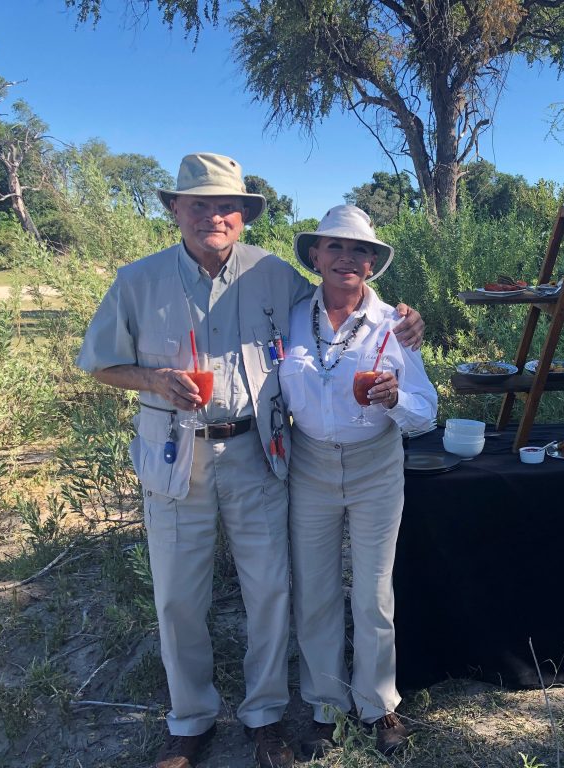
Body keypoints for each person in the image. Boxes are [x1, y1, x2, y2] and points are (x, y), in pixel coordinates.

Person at [75, 154, 424, 768]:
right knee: (179, 597)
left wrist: (405, 318)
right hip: (176, 451)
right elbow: (99, 363)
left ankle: (265, 715)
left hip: (257, 453)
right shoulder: (138, 280)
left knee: (270, 591)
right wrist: (154, 379)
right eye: (200, 203)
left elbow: (343, 294)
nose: (214, 215)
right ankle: (190, 720)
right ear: (175, 209)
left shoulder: (271, 275)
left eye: (226, 205)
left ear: (244, 216)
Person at [278, 205, 437, 758]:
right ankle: (325, 707)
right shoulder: (292, 316)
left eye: (360, 250)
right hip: (310, 462)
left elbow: (426, 410)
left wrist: (396, 400)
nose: (347, 257)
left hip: (375, 464)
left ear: (372, 264)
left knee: (373, 590)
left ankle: (379, 703)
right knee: (315, 590)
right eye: (335, 247)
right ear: (316, 257)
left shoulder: (396, 323)